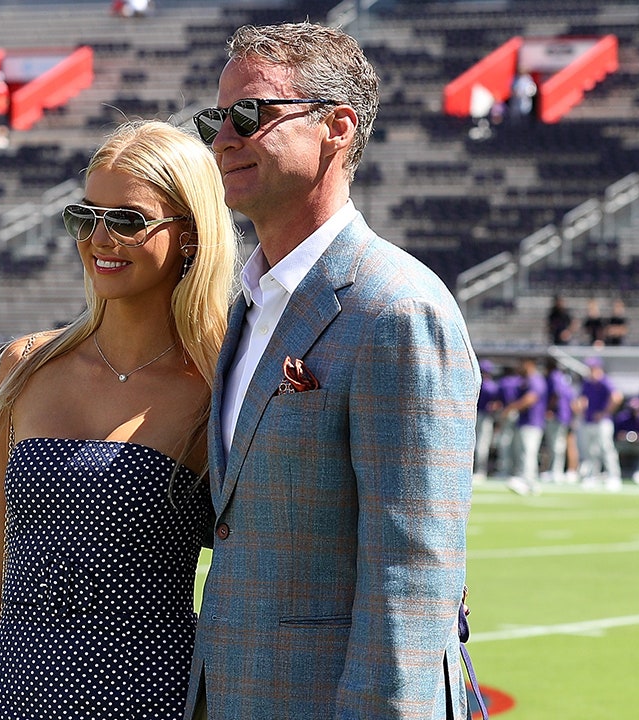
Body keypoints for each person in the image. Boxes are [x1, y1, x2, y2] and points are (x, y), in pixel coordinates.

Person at [188, 23, 481, 719]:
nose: (222, 139)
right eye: (214, 119)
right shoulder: (248, 302)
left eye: (250, 114)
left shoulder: (397, 308)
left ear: (337, 128)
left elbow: (412, 571)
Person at [0, 120, 238, 720]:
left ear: (190, 235)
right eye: (86, 217)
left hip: (146, 698)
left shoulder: (219, 385)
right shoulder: (26, 364)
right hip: (9, 696)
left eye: (128, 220)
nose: (100, 238)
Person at [575, 356, 623, 490]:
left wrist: (604, 412)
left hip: (602, 422)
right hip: (588, 421)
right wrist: (580, 409)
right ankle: (592, 476)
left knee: (606, 448)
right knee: (590, 450)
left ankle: (614, 476)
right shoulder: (587, 383)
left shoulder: (605, 381)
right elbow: (582, 399)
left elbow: (617, 397)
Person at [502, 357, 546, 496]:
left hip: (533, 422)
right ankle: (529, 481)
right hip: (525, 421)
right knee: (524, 452)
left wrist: (511, 408)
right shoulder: (526, 380)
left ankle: (528, 482)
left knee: (528, 452)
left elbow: (530, 399)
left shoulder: (535, 380)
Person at [542, 357, 577, 484]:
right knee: (559, 444)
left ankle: (556, 471)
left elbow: (556, 394)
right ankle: (556, 470)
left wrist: (549, 409)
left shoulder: (554, 377)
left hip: (557, 415)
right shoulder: (563, 378)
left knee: (556, 445)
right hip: (565, 416)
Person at [474, 359, 501, 480]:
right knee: (482, 444)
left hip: (478, 415)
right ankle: (480, 470)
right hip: (484, 416)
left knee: (479, 444)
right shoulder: (491, 386)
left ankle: (479, 470)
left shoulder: (478, 384)